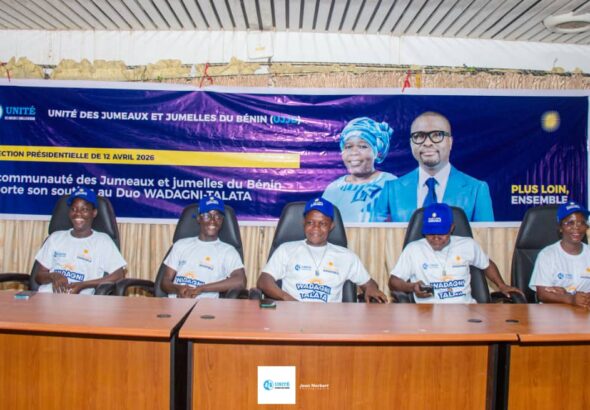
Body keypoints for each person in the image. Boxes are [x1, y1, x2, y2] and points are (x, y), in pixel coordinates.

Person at [257, 197, 387, 303]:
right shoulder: (286, 250)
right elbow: (264, 281)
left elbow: (369, 284)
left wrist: (371, 289)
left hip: (331, 319)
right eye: (310, 222)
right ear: (303, 223)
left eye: (322, 223)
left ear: (331, 226)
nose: (315, 228)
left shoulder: (346, 256)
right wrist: (287, 299)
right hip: (292, 316)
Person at [372, 111, 494, 222]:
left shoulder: (477, 189)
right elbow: (377, 236)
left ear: (450, 142)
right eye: (419, 136)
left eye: (437, 135)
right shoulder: (391, 190)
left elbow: (485, 237)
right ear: (411, 143)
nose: (427, 143)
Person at [389, 202, 520, 303]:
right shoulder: (413, 249)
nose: (436, 238)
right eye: (430, 233)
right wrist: (412, 287)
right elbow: (393, 281)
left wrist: (502, 285)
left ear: (451, 228)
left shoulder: (468, 245)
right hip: (428, 314)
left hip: (466, 311)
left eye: (441, 233)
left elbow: (487, 264)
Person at [35, 187, 127, 295]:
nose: (78, 213)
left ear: (94, 213)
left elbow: (118, 275)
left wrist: (83, 285)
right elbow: (39, 276)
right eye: (74, 209)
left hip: (80, 300)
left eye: (84, 210)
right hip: (45, 297)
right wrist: (53, 276)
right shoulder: (55, 238)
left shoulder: (102, 241)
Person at [161, 196, 246, 299]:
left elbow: (240, 281)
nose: (212, 221)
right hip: (174, 303)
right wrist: (178, 289)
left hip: (205, 306)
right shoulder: (180, 245)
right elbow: (165, 282)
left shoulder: (228, 251)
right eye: (207, 216)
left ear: (222, 220)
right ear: (198, 218)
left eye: (217, 217)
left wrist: (201, 289)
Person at [323, 117, 396, 222]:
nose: (354, 152)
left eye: (362, 146)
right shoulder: (333, 189)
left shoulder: (390, 183)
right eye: (348, 147)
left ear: (377, 152)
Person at [529, 201, 590, 307]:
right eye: (570, 223)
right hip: (553, 312)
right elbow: (542, 294)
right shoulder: (547, 255)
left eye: (582, 223)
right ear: (560, 228)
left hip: (584, 311)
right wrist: (571, 299)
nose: (577, 227)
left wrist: (583, 298)